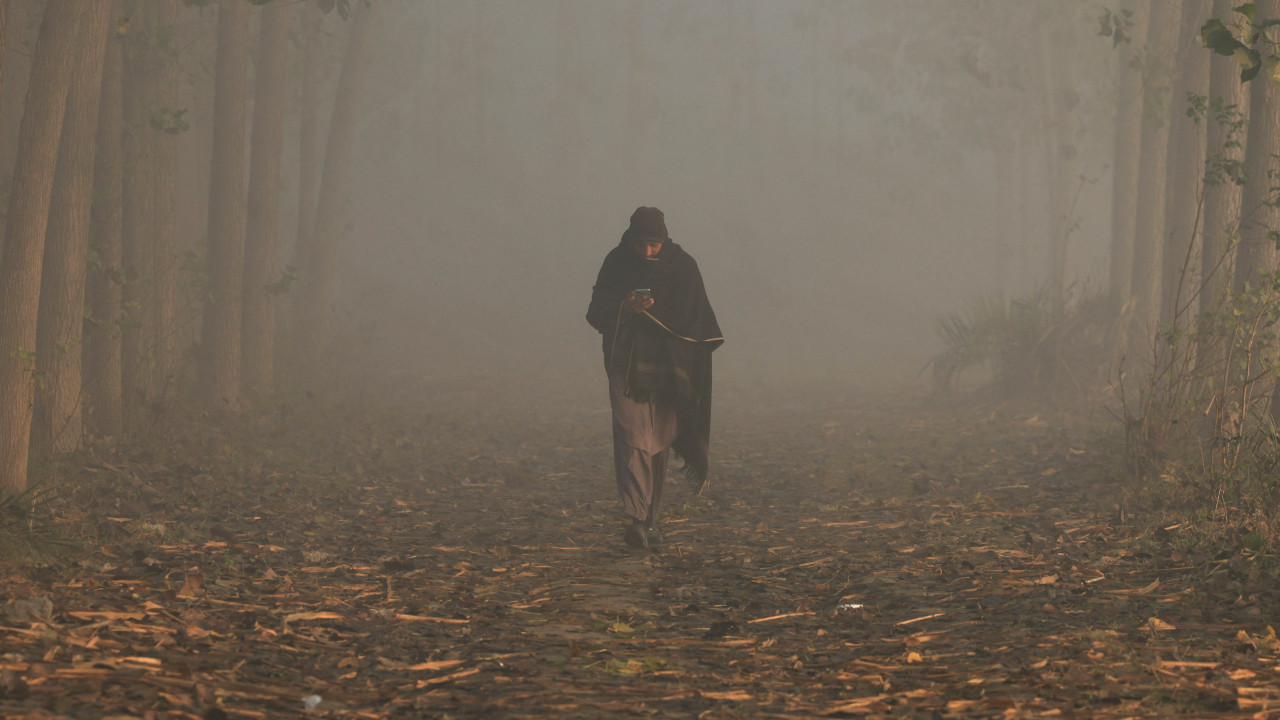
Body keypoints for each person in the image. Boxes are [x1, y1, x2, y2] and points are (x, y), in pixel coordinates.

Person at [586, 207, 723, 550]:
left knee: (658, 443)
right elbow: (596, 311)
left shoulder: (682, 267)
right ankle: (635, 517)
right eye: (642, 244)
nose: (648, 252)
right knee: (632, 436)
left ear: (664, 240)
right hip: (625, 365)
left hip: (669, 369)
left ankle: (651, 520)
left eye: (654, 244)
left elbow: (696, 320)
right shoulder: (616, 263)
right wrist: (624, 308)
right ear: (631, 240)